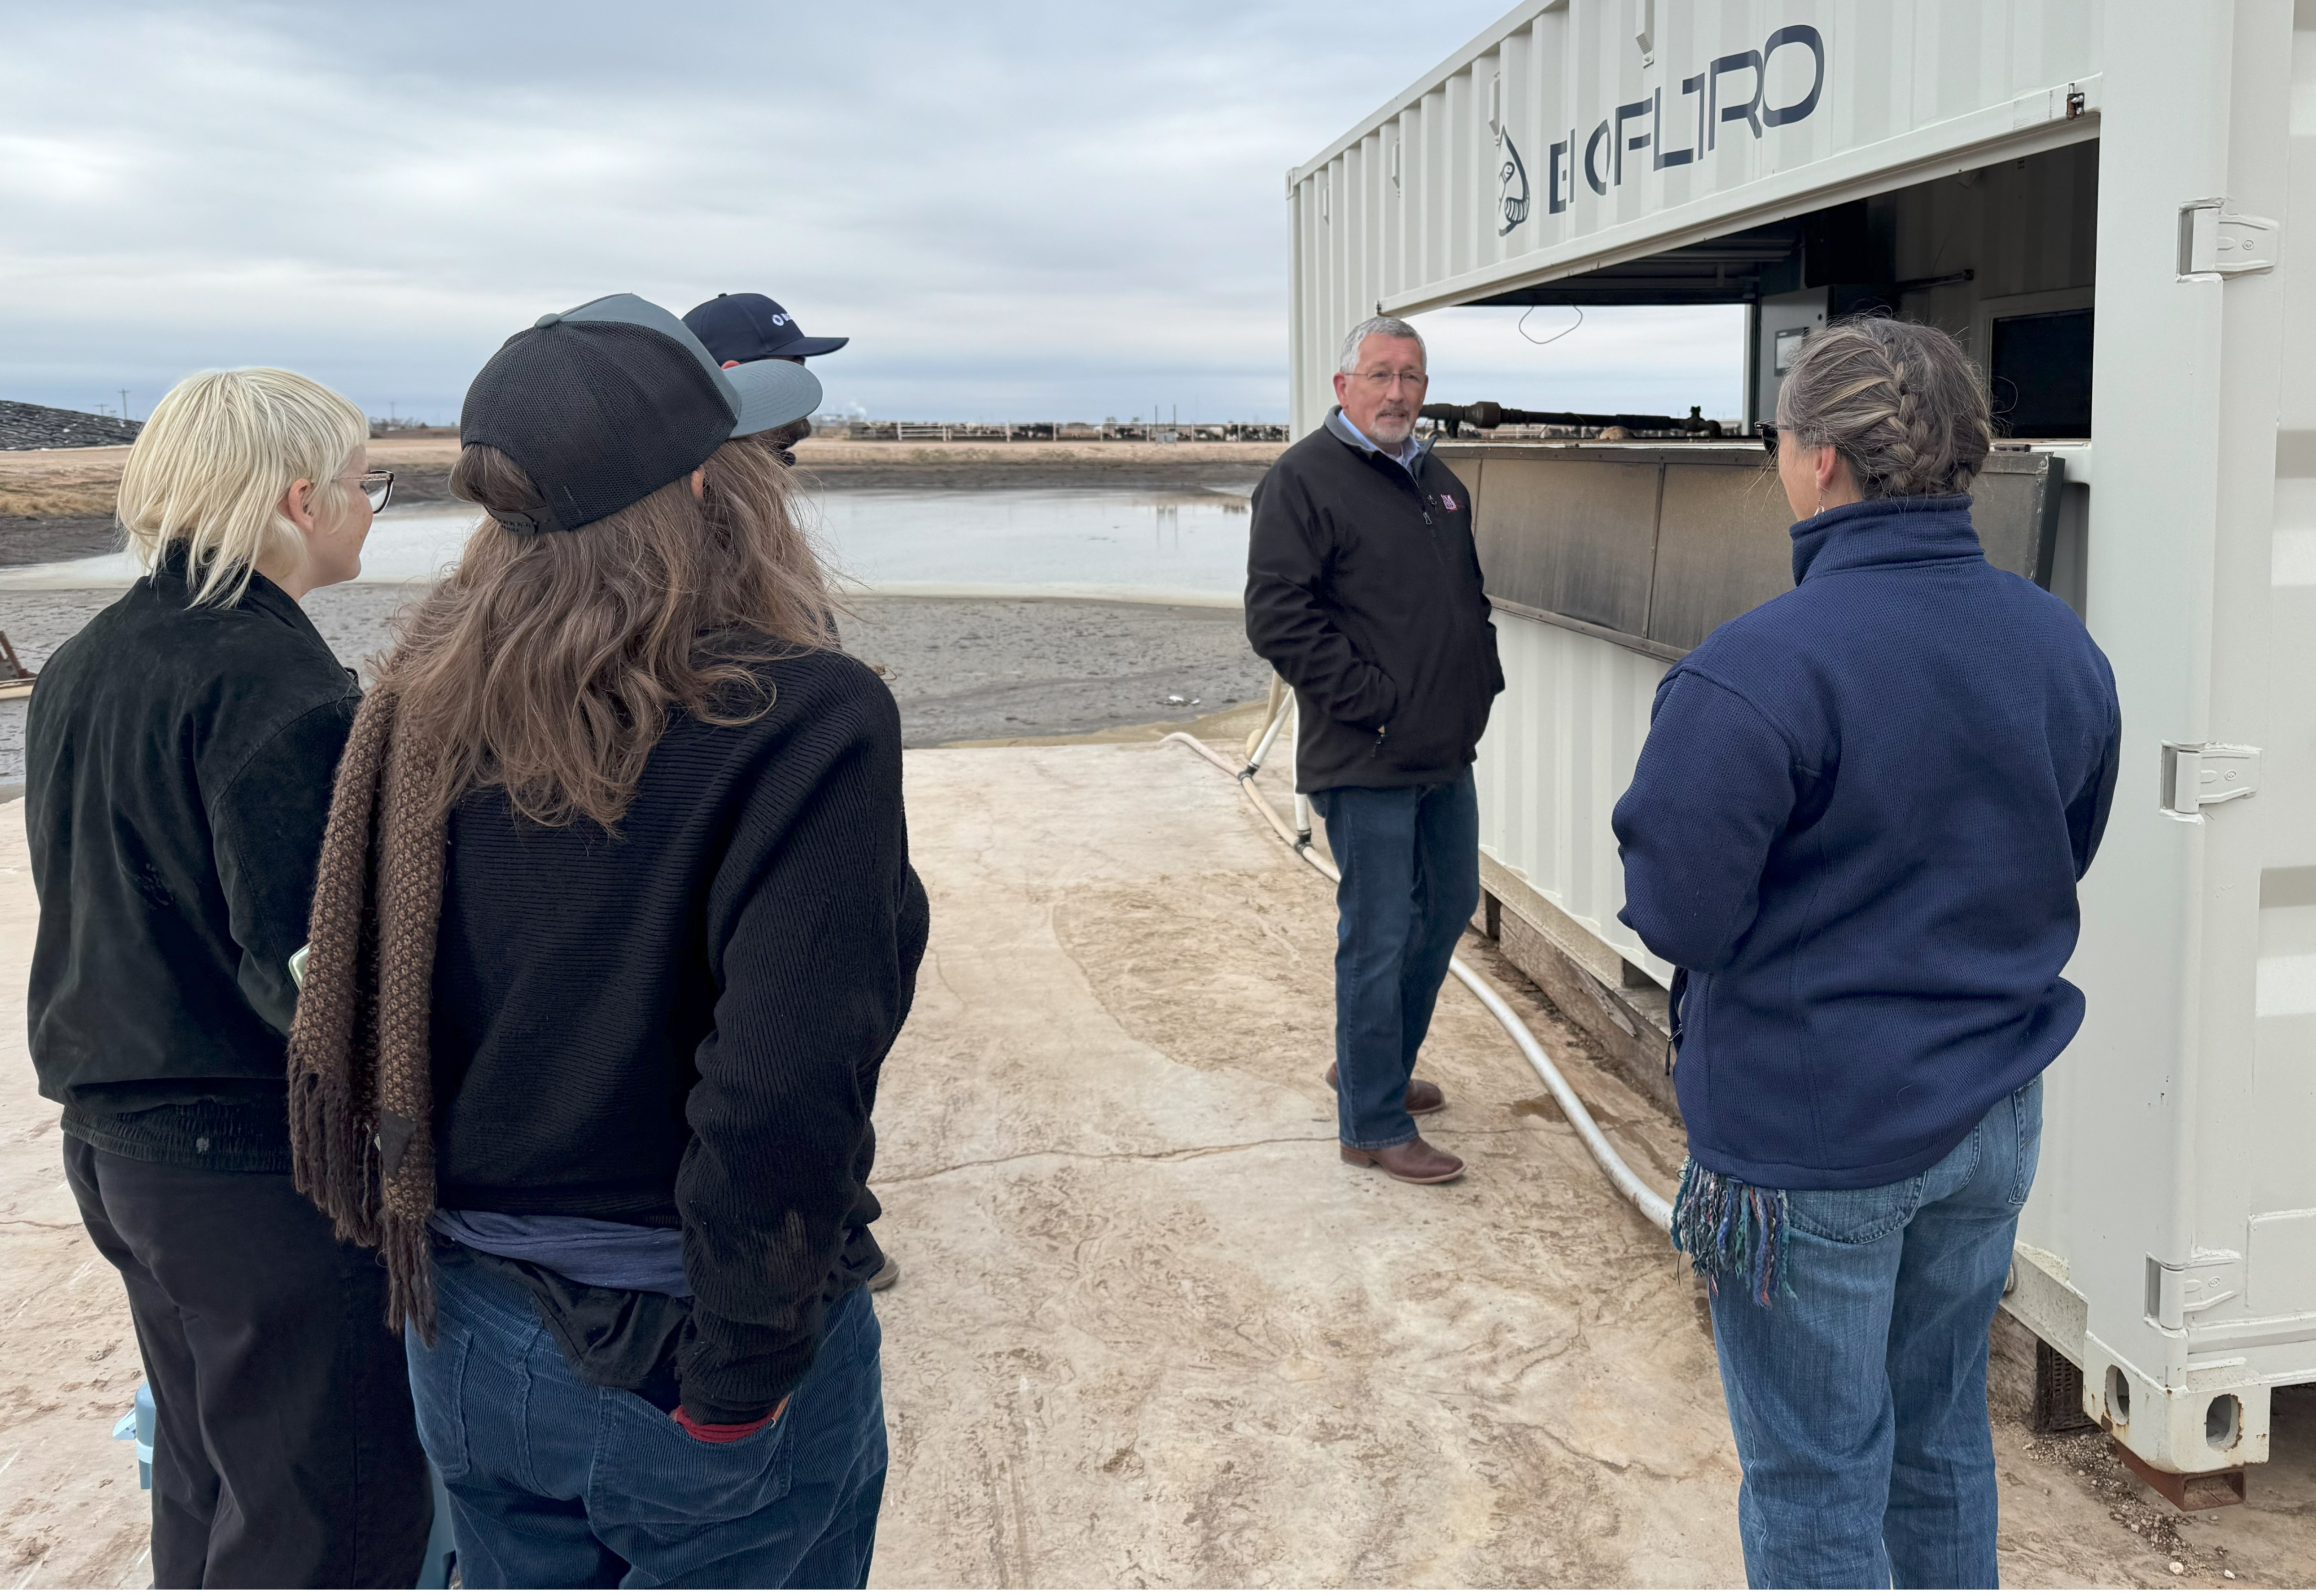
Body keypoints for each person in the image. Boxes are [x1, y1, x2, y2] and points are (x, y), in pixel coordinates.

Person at [287, 294, 926, 1589]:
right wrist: (744, 1379)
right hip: (680, 1349)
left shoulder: (418, 704)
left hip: (459, 1319)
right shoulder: (802, 719)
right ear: (707, 480)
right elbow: (780, 1091)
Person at [1612, 316, 2121, 1588]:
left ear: (1820, 460)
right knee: (1939, 1432)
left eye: (1782, 439)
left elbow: (1678, 913)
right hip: (1988, 1117)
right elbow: (2064, 842)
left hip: (1810, 1141)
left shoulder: (1752, 672)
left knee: (1813, 1476)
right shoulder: (2055, 641)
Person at [23, 368, 432, 1585]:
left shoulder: (87, 658)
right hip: (240, 1164)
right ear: (303, 501)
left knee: (206, 1473)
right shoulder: (268, 677)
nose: (374, 507)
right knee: (322, 1510)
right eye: (369, 485)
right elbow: (310, 965)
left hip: (112, 1145)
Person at [1244, 314, 1504, 1185]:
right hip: (1366, 754)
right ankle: (1372, 1121)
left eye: (1413, 377)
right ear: (1342, 385)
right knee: (1380, 930)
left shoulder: (1438, 480)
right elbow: (1279, 619)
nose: (1398, 392)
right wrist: (1377, 706)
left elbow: (1467, 600)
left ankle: (1371, 1066)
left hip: (1443, 747)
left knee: (1447, 905)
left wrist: (1482, 683)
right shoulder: (1302, 479)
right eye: (1381, 374)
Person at [685, 292, 848, 465]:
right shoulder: (712, 486)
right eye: (793, 369)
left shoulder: (698, 473)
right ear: (734, 377)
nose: (806, 385)